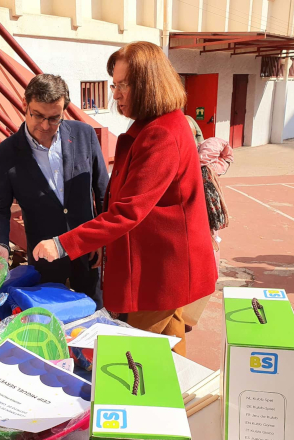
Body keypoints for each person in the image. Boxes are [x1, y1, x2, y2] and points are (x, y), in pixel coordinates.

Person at [32, 42, 217, 356]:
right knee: (168, 346)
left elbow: (127, 211)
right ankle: (176, 386)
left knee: (137, 356)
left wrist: (63, 244)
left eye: (123, 85)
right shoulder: (155, 125)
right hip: (158, 267)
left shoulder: (161, 133)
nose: (115, 94)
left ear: (147, 85)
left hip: (161, 272)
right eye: (114, 85)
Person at [0, 74, 109, 309]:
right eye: (38, 115)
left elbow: (103, 192)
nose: (45, 126)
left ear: (64, 111)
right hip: (44, 260)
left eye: (54, 118)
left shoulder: (85, 135)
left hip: (87, 252)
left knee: (94, 316)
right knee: (49, 321)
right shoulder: (5, 154)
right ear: (24, 104)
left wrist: (102, 241)